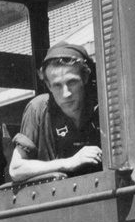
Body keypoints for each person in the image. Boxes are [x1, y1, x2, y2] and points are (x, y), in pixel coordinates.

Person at [8, 42, 103, 182]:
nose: (66, 93)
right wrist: (69, 163)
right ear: (48, 85)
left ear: (85, 78)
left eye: (72, 82)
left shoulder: (102, 107)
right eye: (57, 85)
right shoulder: (39, 108)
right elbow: (16, 169)